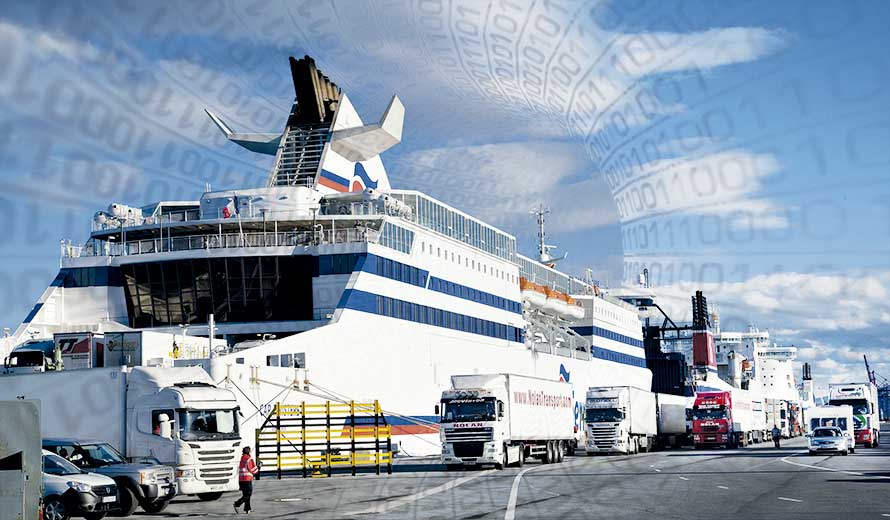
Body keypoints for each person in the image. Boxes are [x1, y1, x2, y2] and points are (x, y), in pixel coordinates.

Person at [234, 446, 259, 514]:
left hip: (241, 479)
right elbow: (253, 470)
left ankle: (247, 509)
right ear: (249, 451)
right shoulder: (249, 459)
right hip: (247, 479)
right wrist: (258, 467)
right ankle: (237, 504)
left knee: (246, 494)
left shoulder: (242, 458)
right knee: (248, 495)